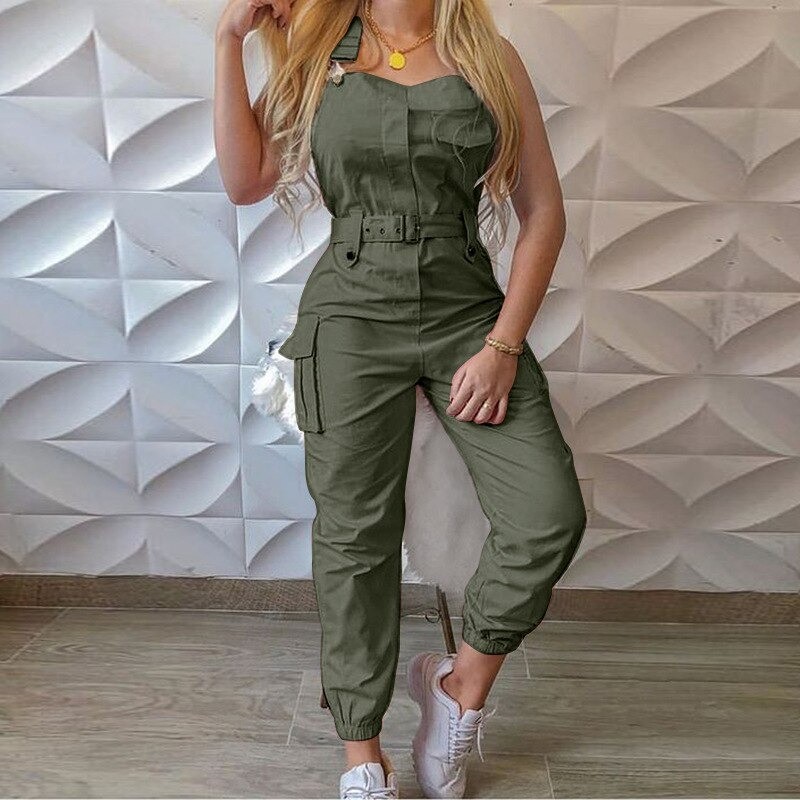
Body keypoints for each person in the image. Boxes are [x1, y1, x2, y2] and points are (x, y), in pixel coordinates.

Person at [214, 0, 587, 797]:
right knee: (356, 536)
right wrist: (228, 41)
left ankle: (458, 688)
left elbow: (544, 212)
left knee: (547, 514)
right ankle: (363, 756)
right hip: (351, 311)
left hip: (467, 312)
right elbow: (246, 182)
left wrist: (503, 346)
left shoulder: (489, 57)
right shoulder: (316, 52)